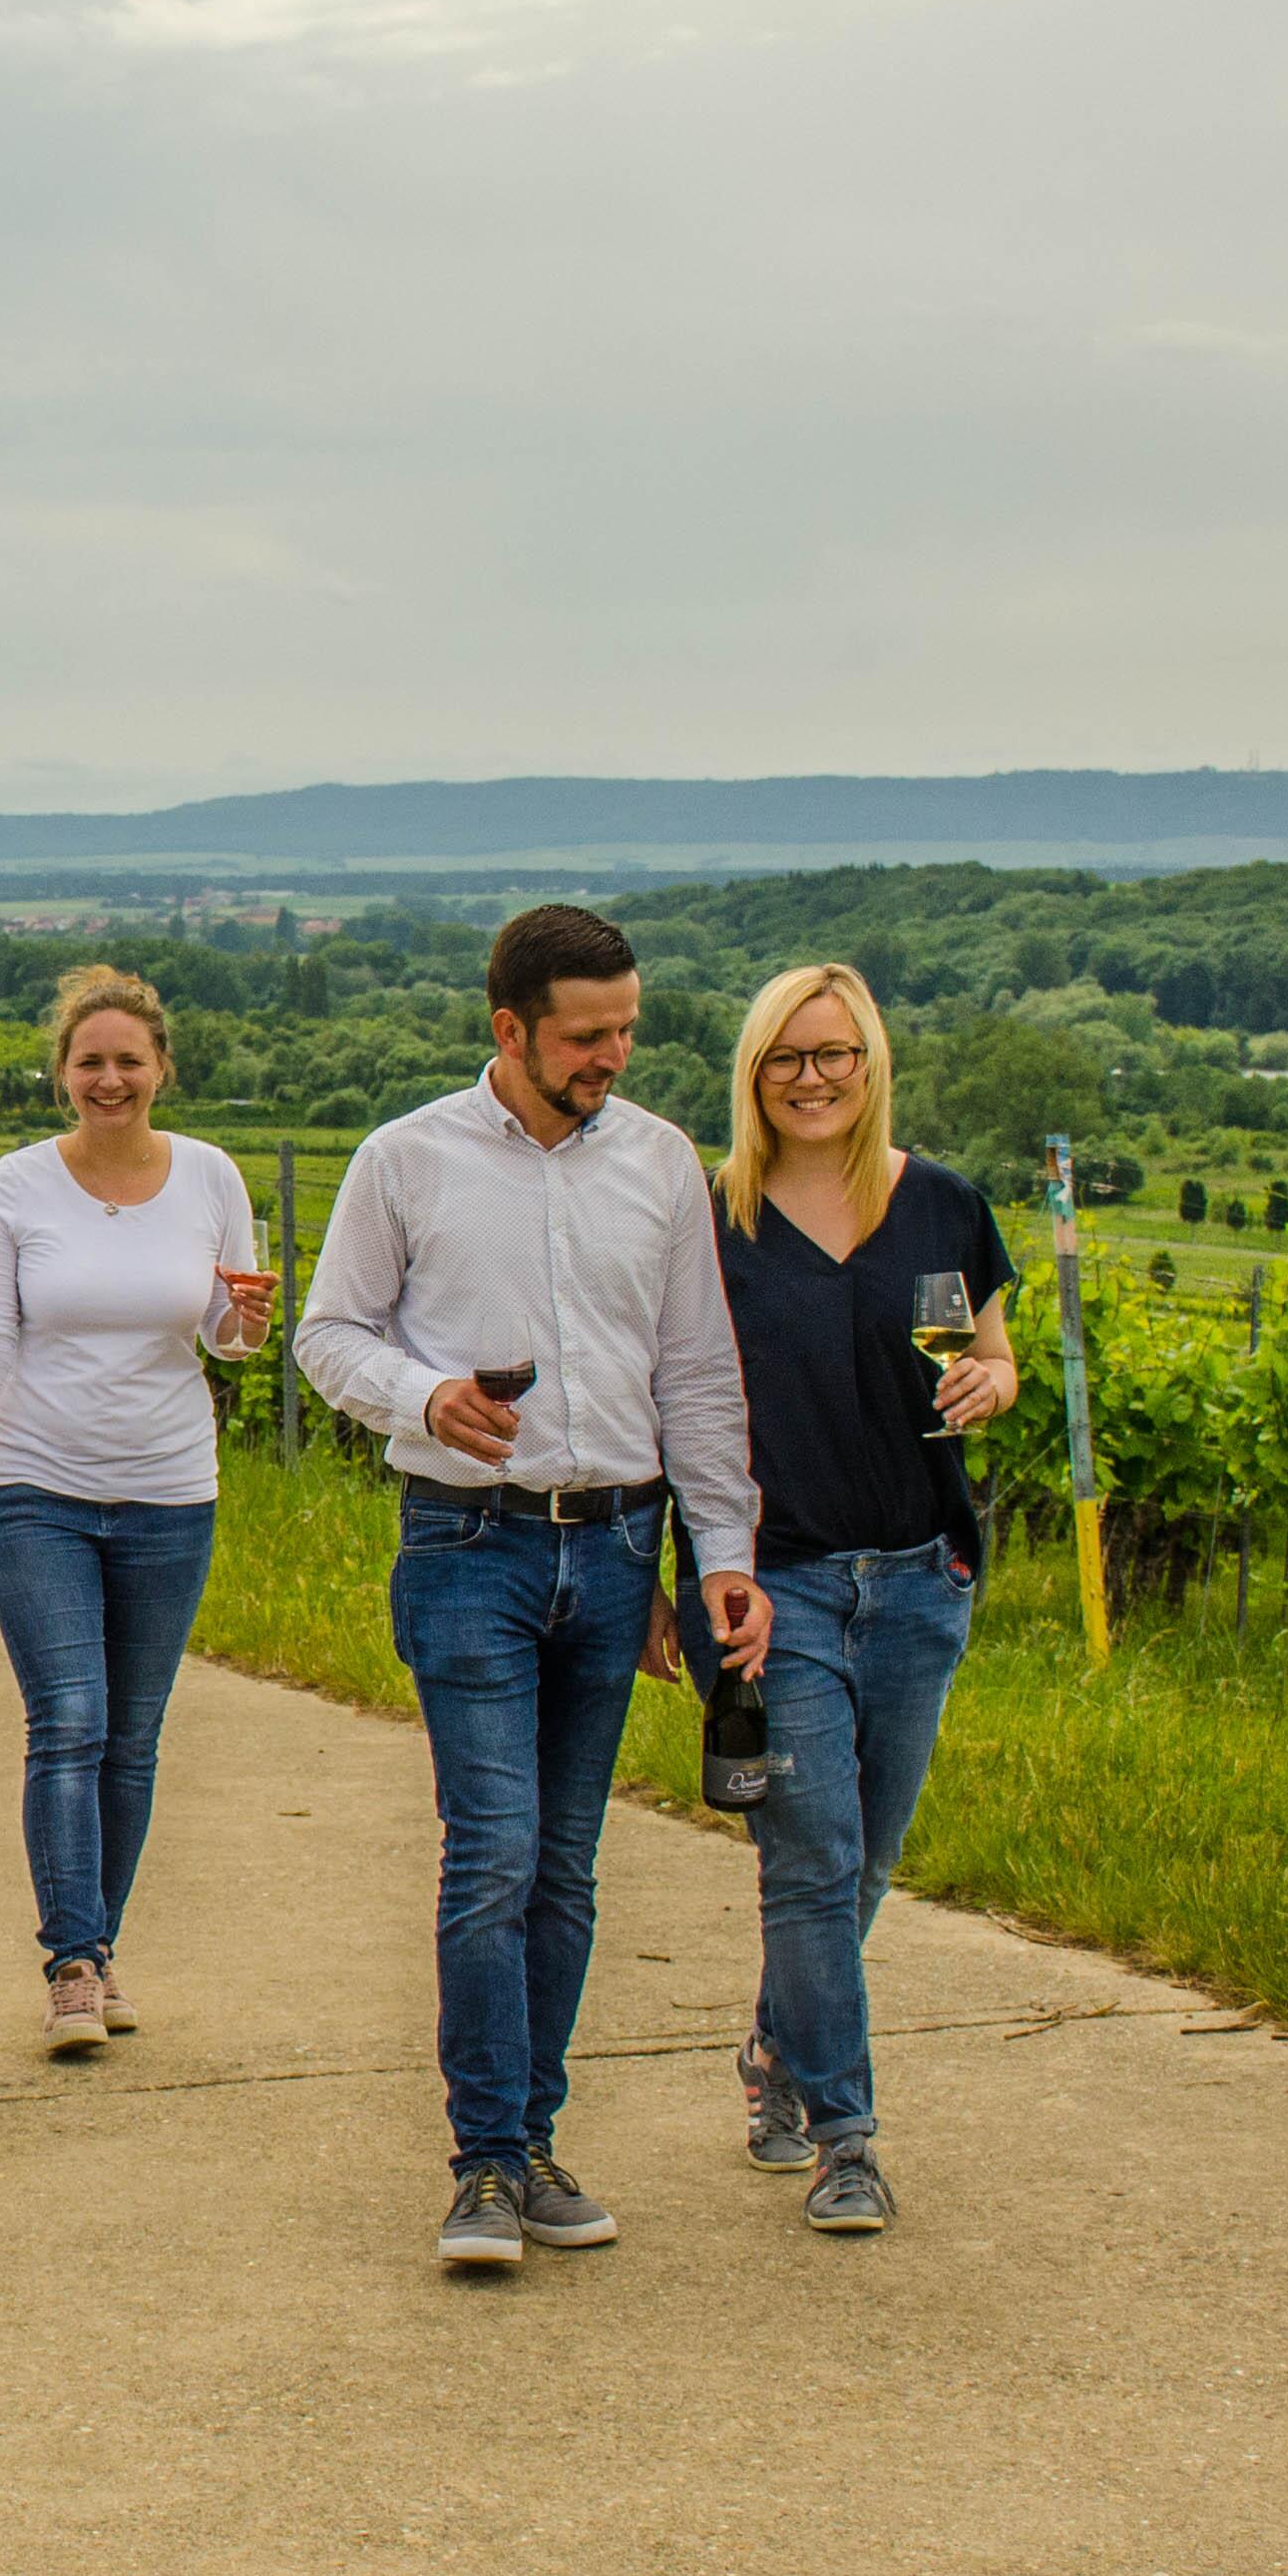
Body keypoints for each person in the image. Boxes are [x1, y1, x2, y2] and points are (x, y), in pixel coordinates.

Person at [299, 905, 763, 2270]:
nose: (612, 1053)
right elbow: (328, 1333)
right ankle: (484, 2160)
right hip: (467, 1546)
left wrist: (718, 1557)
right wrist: (424, 1395)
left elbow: (696, 1375)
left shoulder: (663, 1162)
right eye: (584, 1034)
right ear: (508, 1030)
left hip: (616, 1549)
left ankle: (534, 2137)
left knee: (564, 1865)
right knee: (490, 1850)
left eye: (624, 1027)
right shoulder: (406, 1159)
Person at [645, 962, 1019, 2236]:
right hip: (769, 1583)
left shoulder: (944, 1208)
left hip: (918, 1575)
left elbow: (990, 1348)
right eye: (783, 1057)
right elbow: (671, 1412)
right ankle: (844, 2136)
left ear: (870, 1061)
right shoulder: (710, 1223)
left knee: (864, 1860)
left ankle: (774, 2049)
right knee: (810, 1863)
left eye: (832, 1053)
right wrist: (668, 1578)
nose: (810, 1077)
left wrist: (995, 1382)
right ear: (752, 1075)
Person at [0, 966, 276, 2058]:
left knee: (132, 1736)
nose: (109, 1078)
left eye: (128, 1060)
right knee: (69, 1716)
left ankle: (100, 1944)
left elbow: (224, 1337)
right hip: (35, 1485)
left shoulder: (208, 1174)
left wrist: (244, 1320)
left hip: (167, 1489)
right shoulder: (15, 1185)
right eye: (88, 1061)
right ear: (61, 1072)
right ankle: (70, 1960)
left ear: (160, 1068)